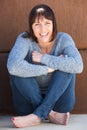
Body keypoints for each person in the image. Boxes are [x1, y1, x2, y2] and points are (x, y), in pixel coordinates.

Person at [7, 4, 83, 128]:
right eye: (37, 24)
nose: (43, 30)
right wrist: (48, 68)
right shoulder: (24, 39)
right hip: (27, 106)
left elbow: (78, 66)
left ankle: (38, 115)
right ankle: (47, 114)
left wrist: (43, 58)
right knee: (17, 72)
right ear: (31, 27)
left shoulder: (64, 39)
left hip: (60, 105)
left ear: (54, 24)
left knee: (67, 68)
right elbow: (13, 66)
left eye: (47, 23)